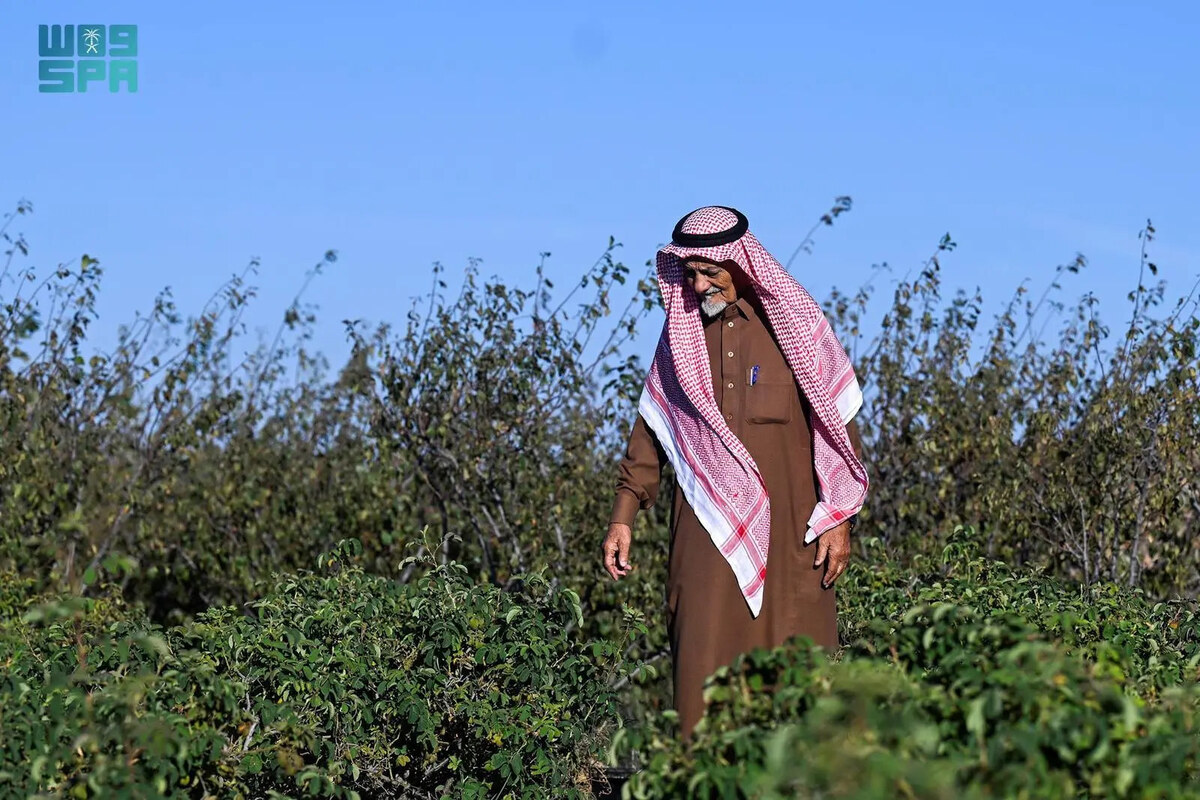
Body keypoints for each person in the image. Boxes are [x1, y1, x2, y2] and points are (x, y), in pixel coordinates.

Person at [601, 205, 868, 739]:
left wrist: (840, 518)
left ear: (741, 263)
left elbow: (839, 431)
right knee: (700, 693)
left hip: (794, 547)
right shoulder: (679, 340)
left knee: (797, 696)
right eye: (690, 272)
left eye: (709, 271)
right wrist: (623, 516)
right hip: (704, 546)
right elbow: (650, 436)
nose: (698, 284)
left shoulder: (793, 325)